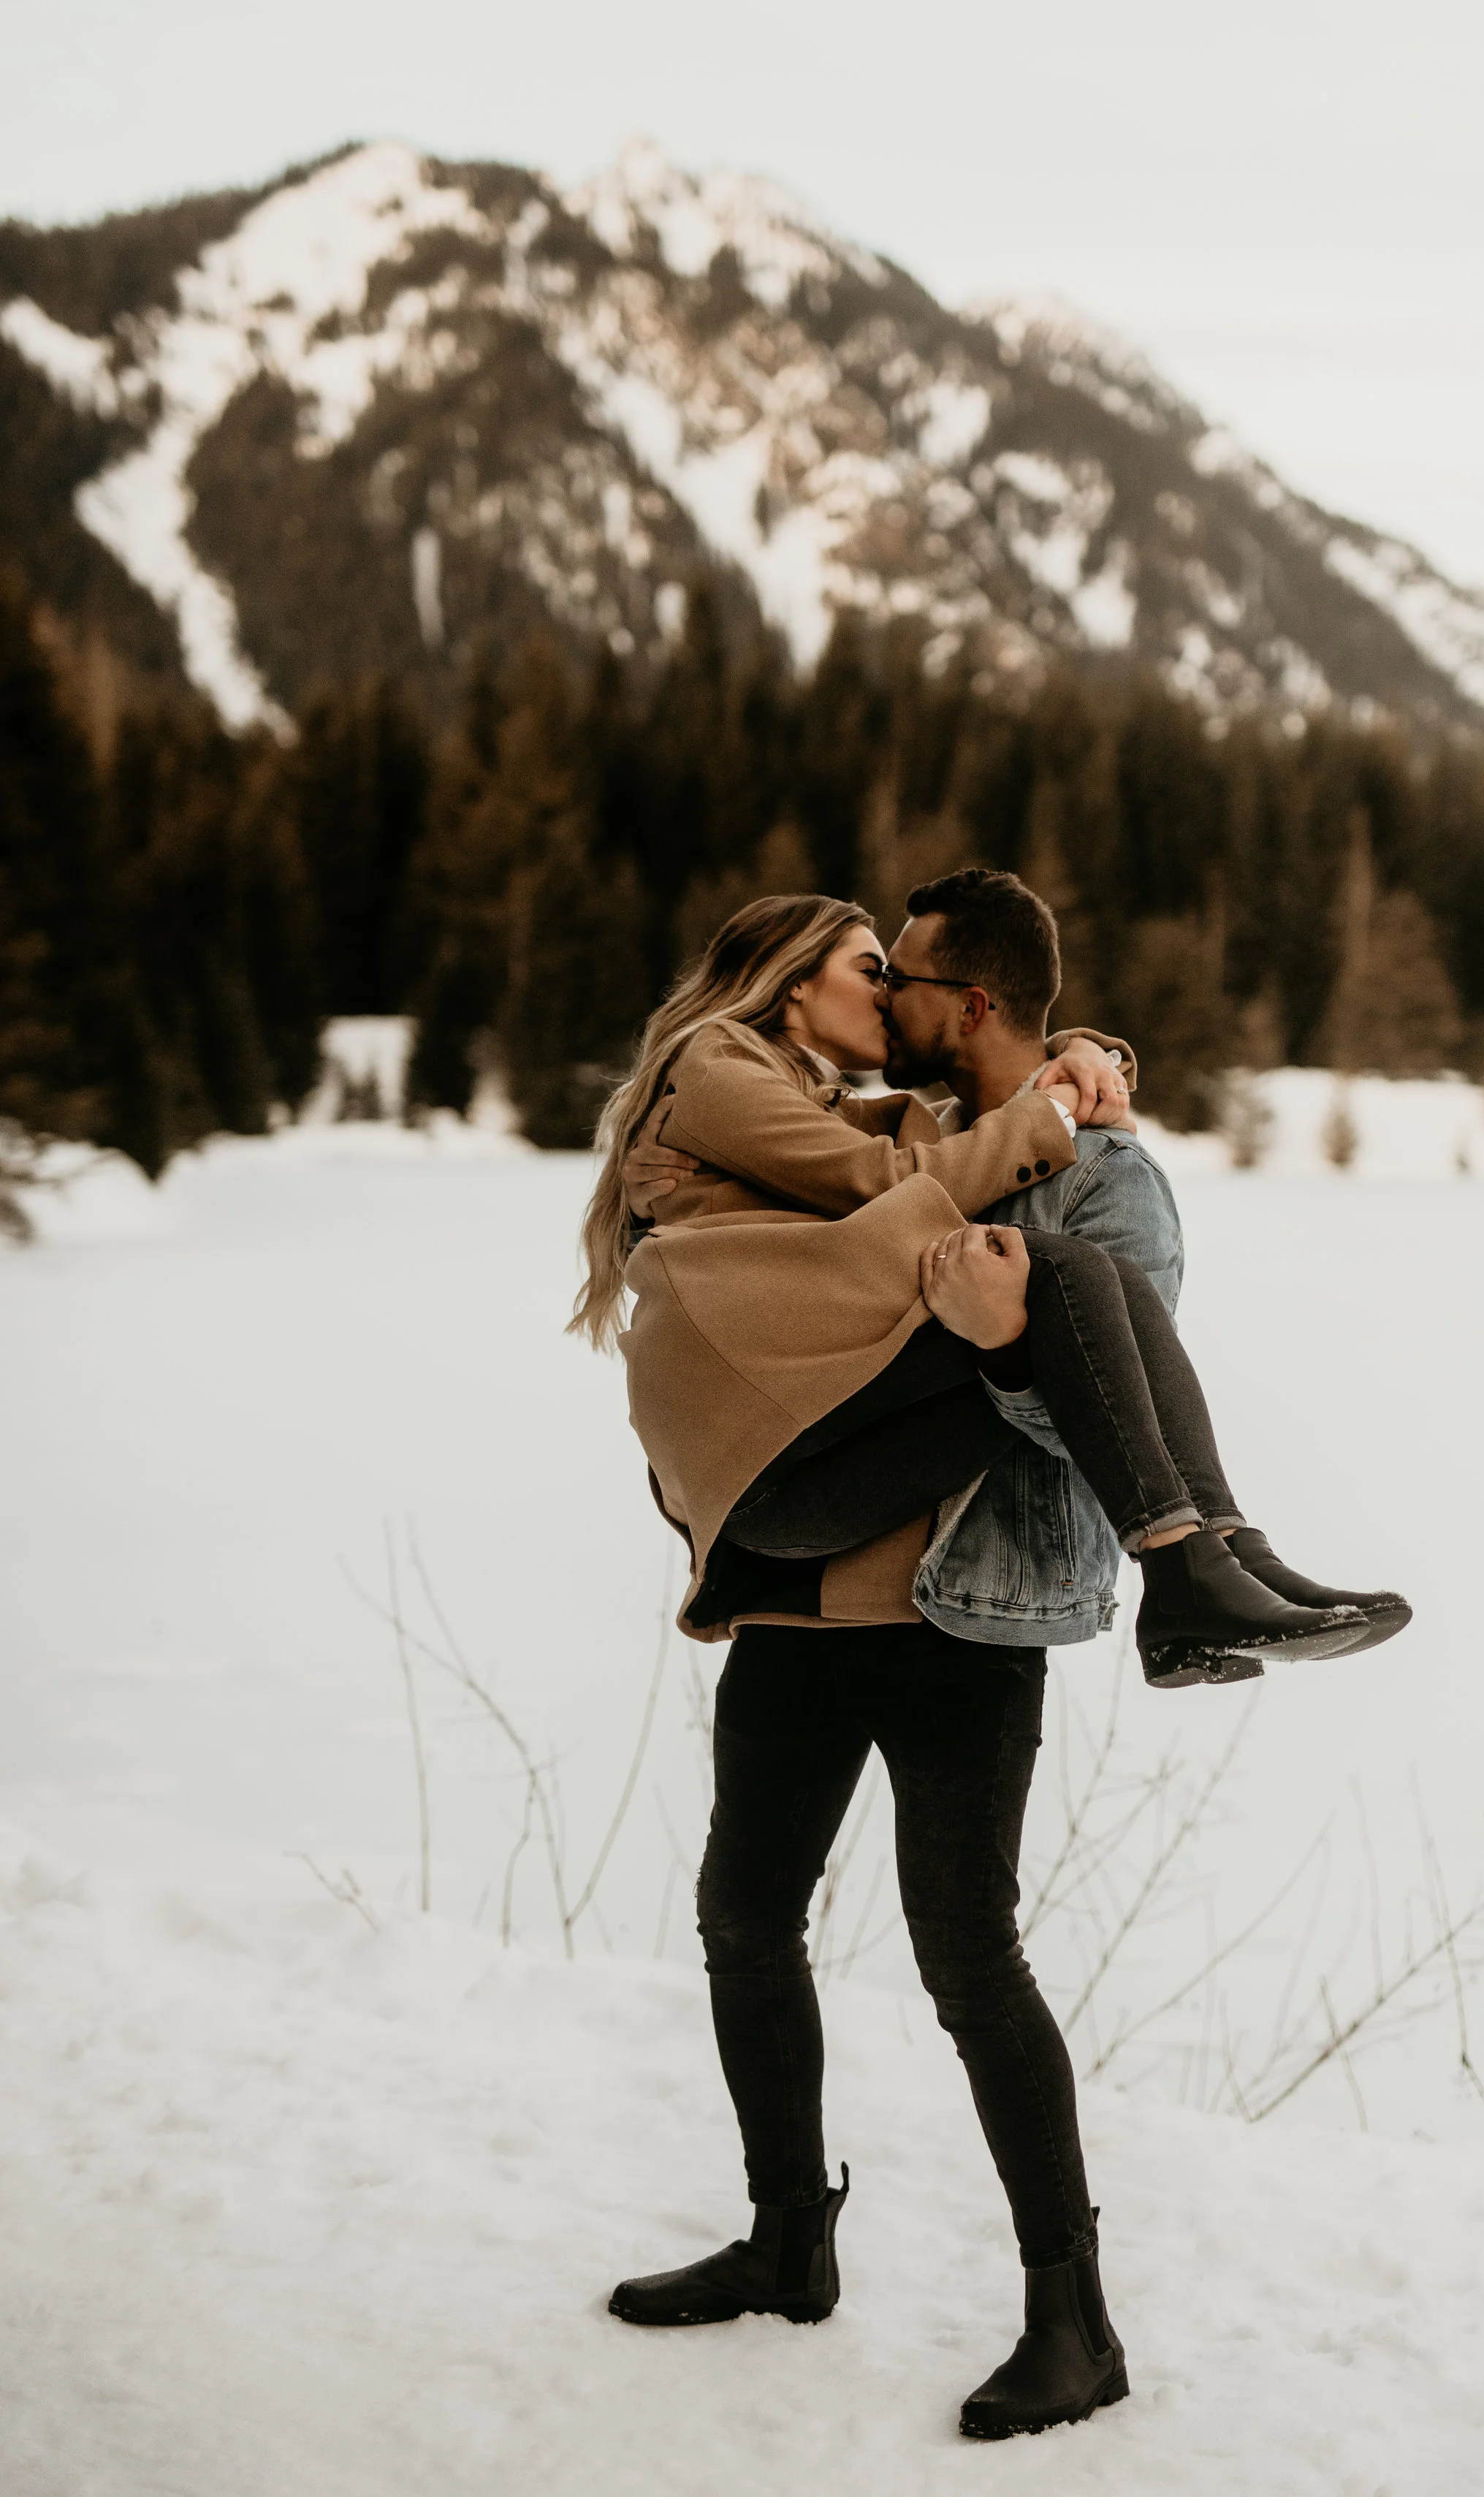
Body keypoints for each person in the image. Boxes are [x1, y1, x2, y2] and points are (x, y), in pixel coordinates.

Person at [577, 875, 1408, 2438]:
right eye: (862, 973)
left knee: (969, 1958)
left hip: (967, 1618)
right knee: (740, 1917)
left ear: (960, 1001)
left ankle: (1072, 2323)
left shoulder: (1108, 1182)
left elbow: (1101, 1413)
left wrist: (997, 1336)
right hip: (803, 1600)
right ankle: (785, 2243)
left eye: (902, 979)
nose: (879, 999)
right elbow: (826, 1253)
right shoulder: (880, 1126)